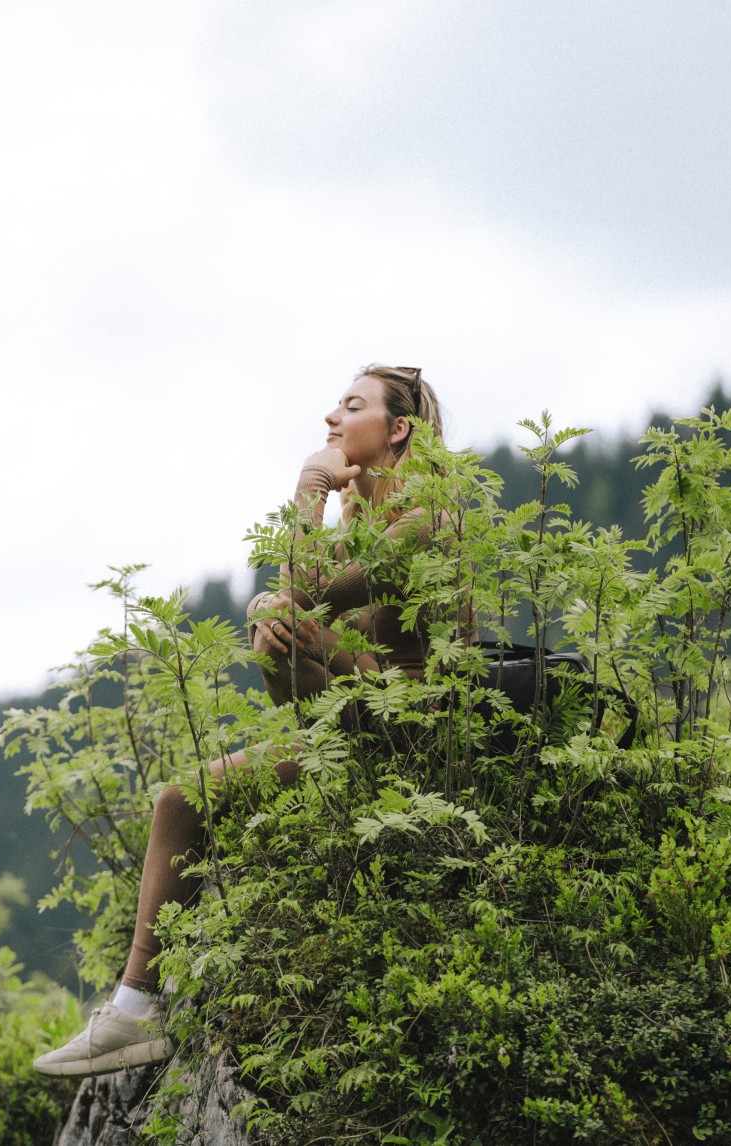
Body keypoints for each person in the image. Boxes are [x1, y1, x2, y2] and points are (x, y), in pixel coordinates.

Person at [33, 365, 444, 1078]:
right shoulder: (367, 518)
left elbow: (306, 593)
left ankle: (135, 1011)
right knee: (183, 790)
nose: (330, 420)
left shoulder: (424, 517)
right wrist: (273, 612)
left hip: (420, 736)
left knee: (280, 634)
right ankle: (134, 1010)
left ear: (398, 428)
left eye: (351, 407)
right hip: (359, 722)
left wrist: (310, 486)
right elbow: (292, 597)